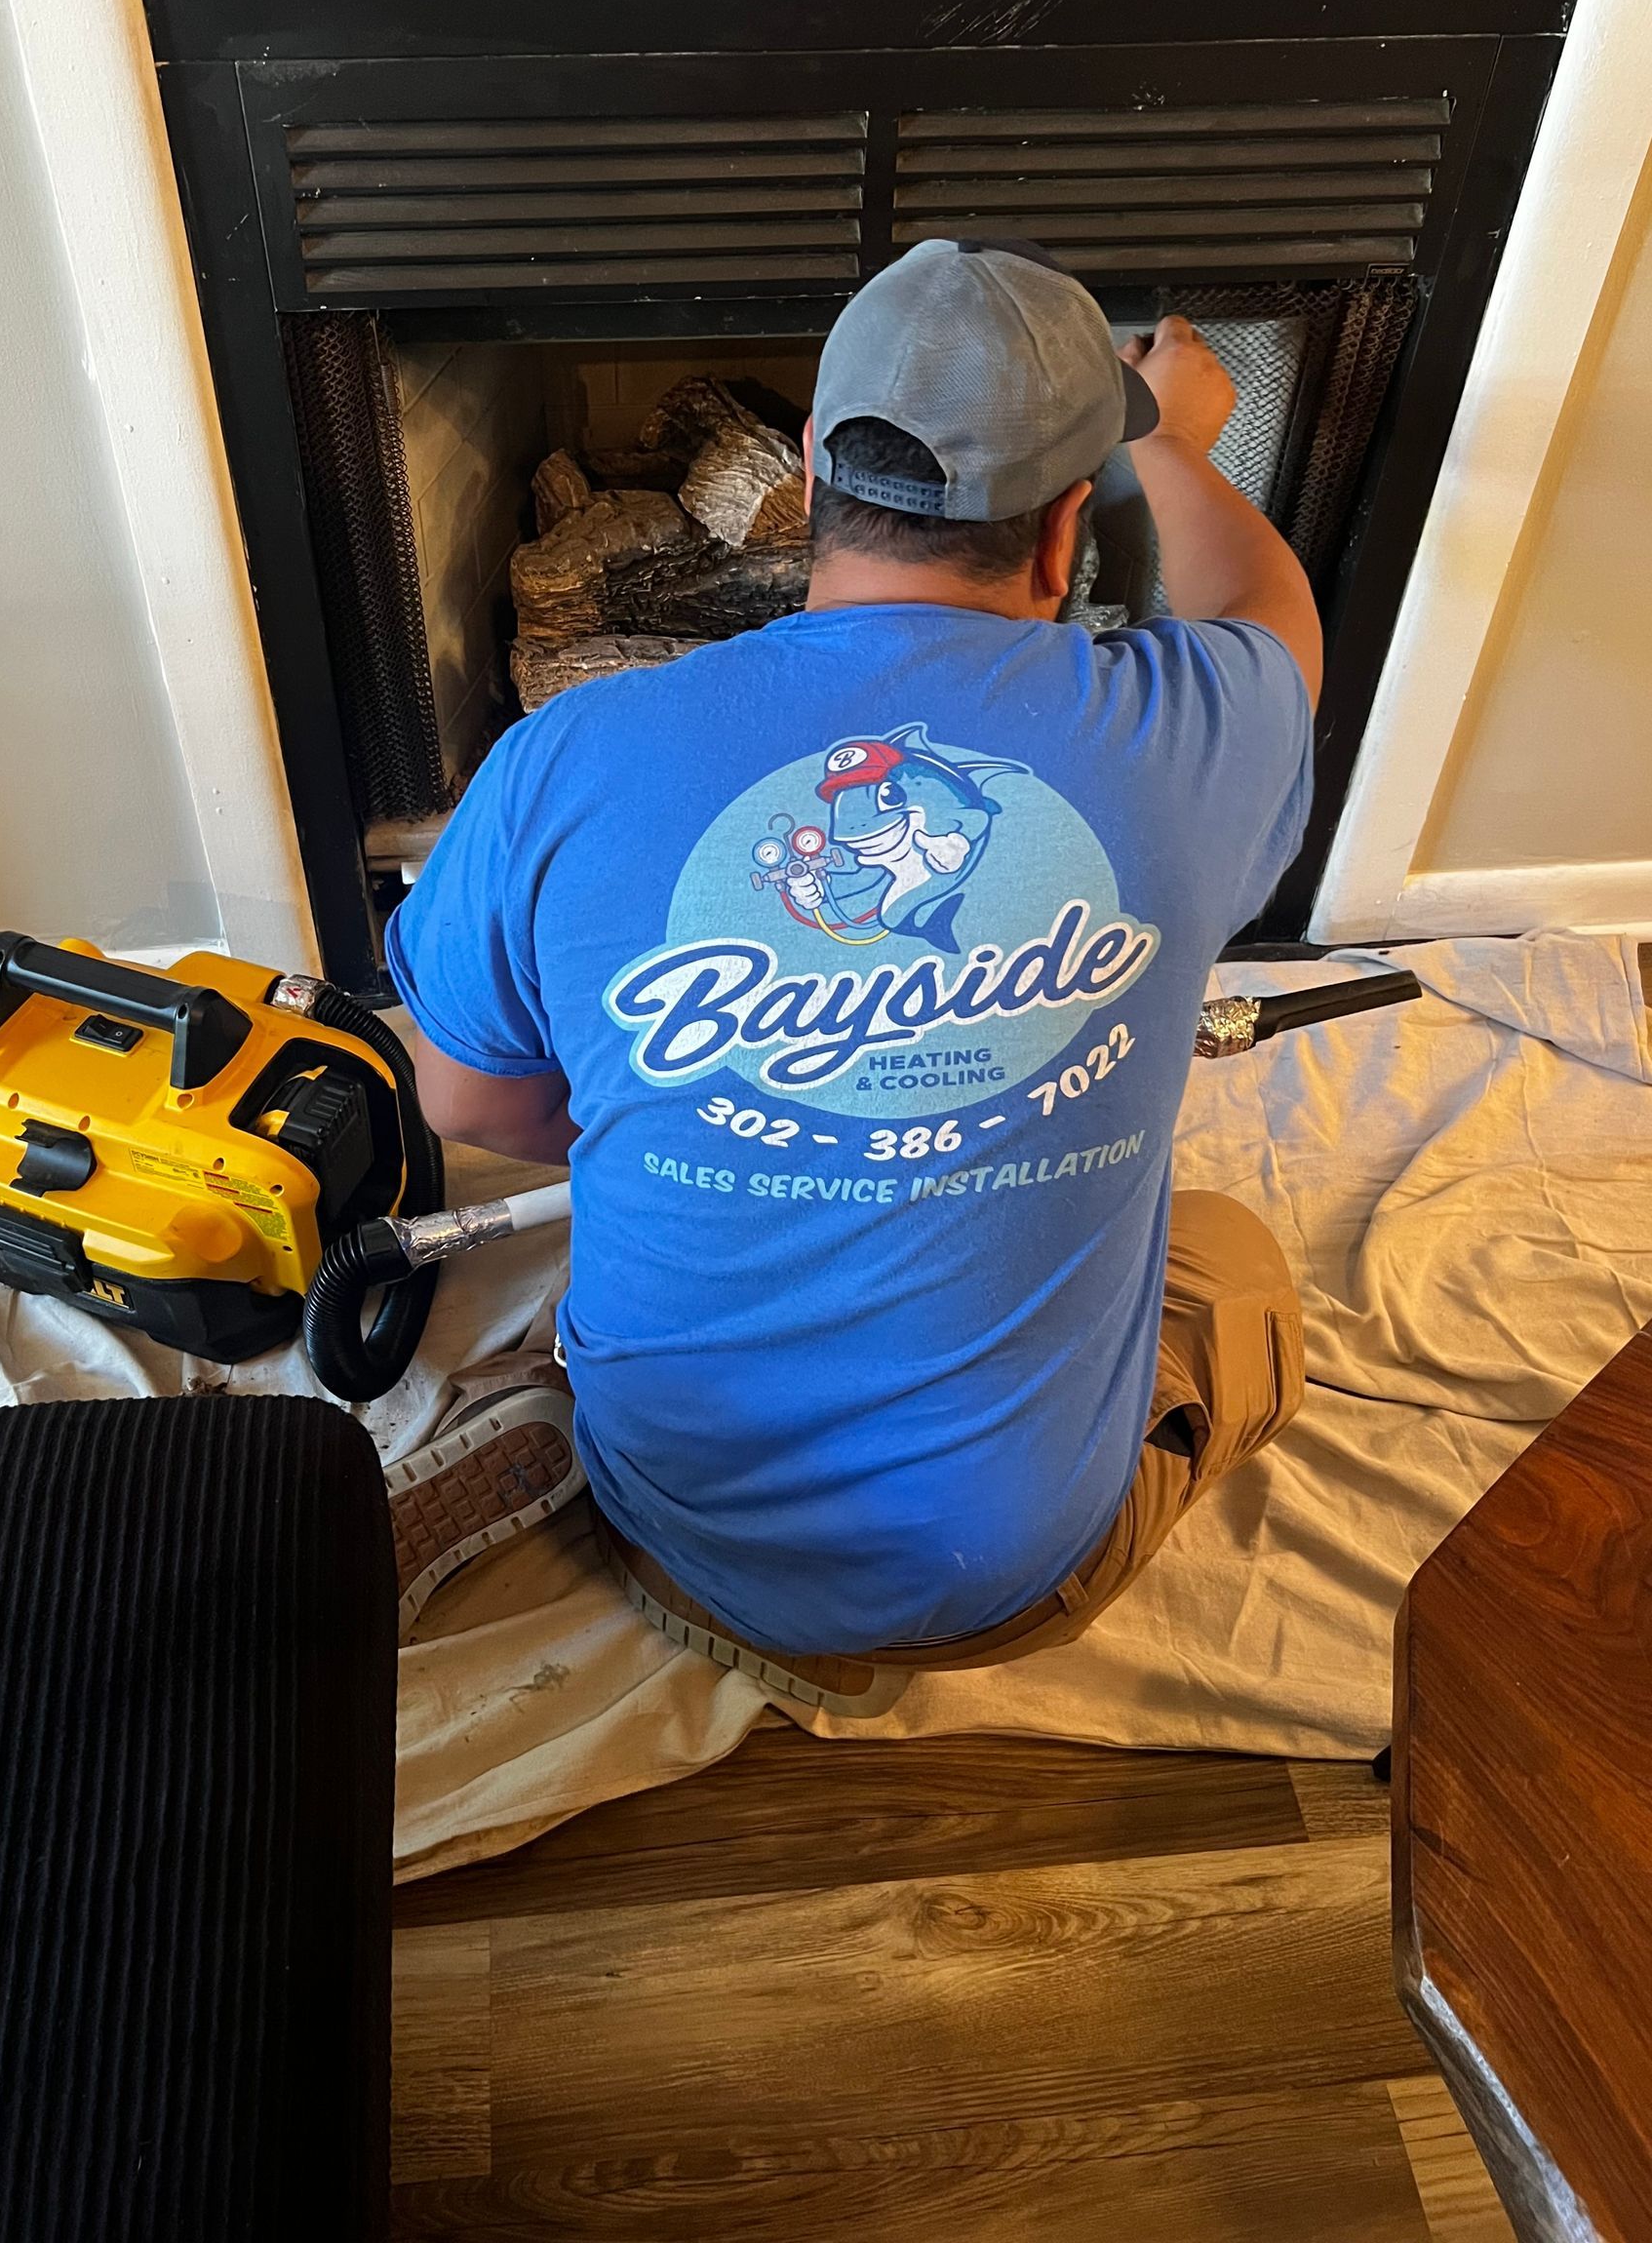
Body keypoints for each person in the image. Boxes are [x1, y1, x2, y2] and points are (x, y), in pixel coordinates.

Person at [383, 240, 1317, 1707]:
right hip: (1013, 1587)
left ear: (812, 469)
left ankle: (595, 1443)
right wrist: (1182, 446)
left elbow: (469, 1102)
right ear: (1070, 527)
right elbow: (1272, 615)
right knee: (1240, 1266)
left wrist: (708, 1124)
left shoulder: (566, 755)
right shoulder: (1195, 733)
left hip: (676, 1529)